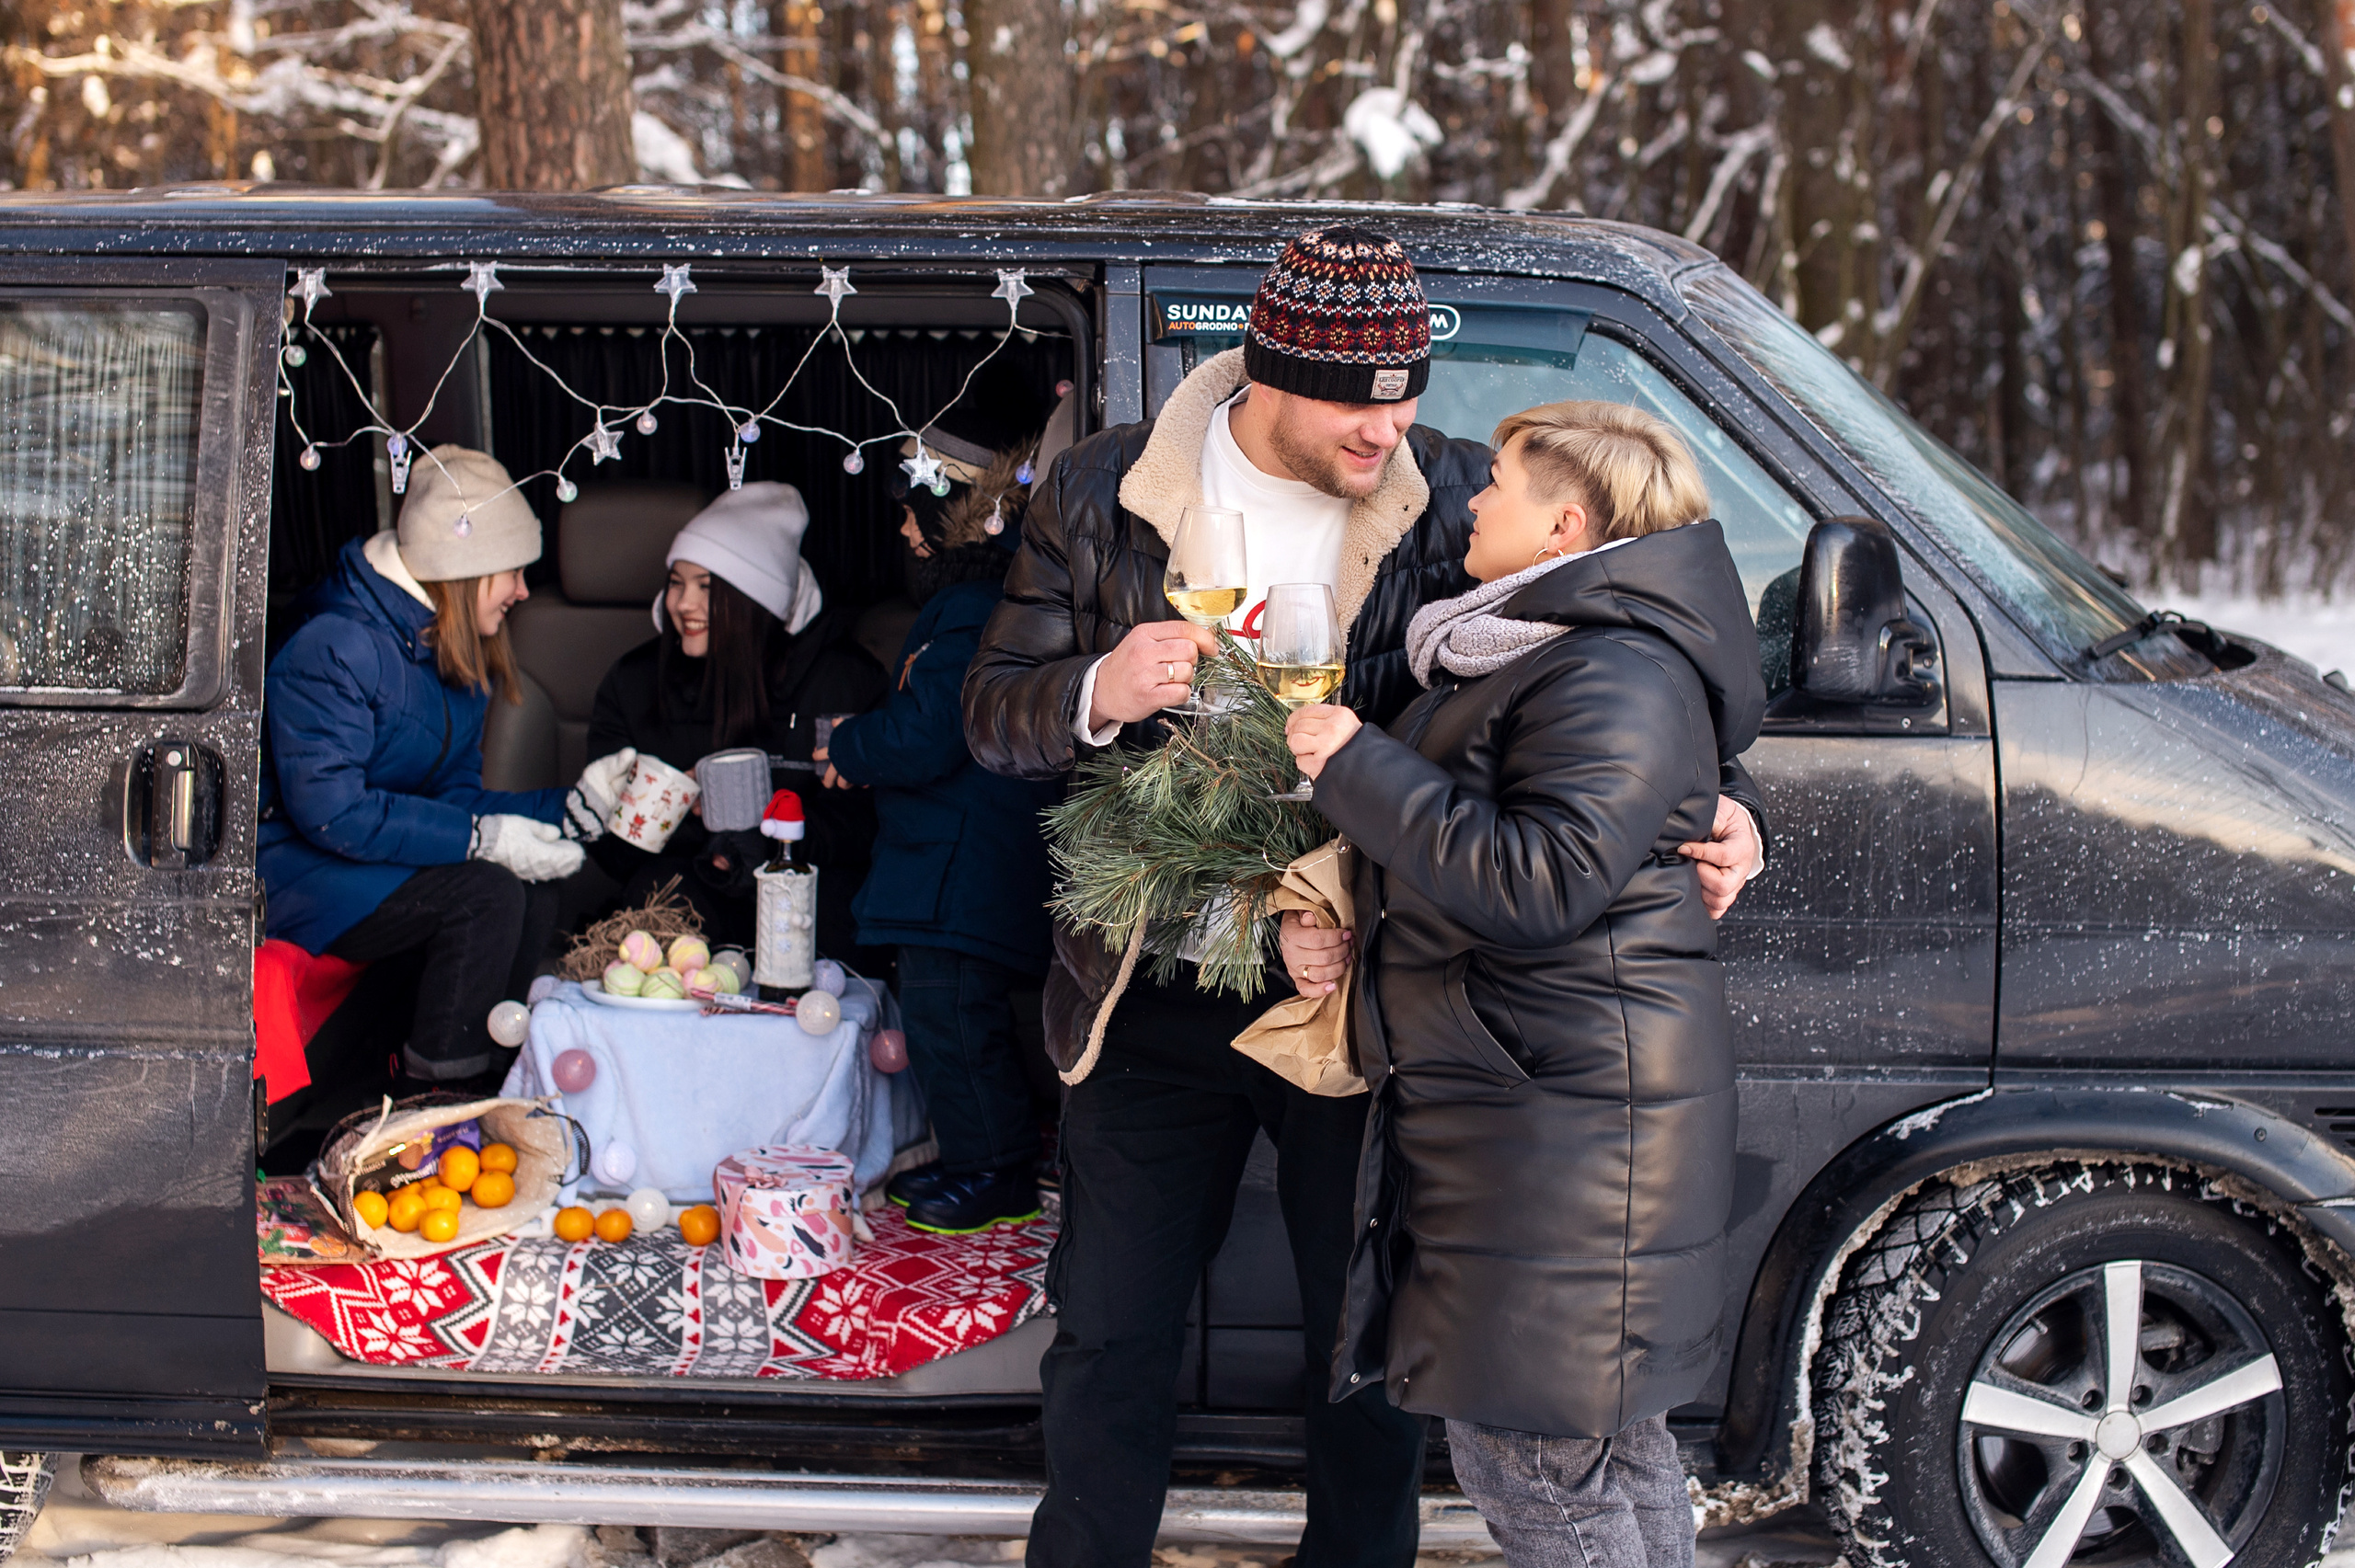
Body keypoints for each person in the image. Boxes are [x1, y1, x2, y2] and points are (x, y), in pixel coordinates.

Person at [961, 226, 1769, 1568]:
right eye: (1361, 398)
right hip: (1151, 976)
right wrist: (1102, 687)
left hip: (1377, 975)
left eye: (1408, 391)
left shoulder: (1454, 487)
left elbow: (1614, 650)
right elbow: (992, 716)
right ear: (1270, 373)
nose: (1392, 426)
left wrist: (1730, 798)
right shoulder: (1105, 489)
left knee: (1371, 1340)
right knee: (1110, 1325)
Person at [1280, 401, 1760, 1567]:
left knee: (1532, 1465)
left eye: (1495, 483)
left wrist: (1353, 764)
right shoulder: (1547, 645)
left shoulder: (1614, 665)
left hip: (1560, 1139)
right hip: (1540, 1118)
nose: (1472, 502)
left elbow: (1541, 881)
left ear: (1564, 523)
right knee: (1605, 1450)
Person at [260, 446, 625, 1093]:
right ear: (464, 567)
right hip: (299, 869)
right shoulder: (335, 645)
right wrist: (477, 841)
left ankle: (496, 1079)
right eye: (511, 571)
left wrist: (572, 809)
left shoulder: (453, 653)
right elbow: (333, 813)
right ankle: (435, 1103)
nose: (521, 590)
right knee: (486, 891)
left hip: (381, 857)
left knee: (530, 883)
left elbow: (457, 800)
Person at [819, 378, 1066, 1235]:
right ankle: (979, 1159)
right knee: (954, 1016)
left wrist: (851, 747)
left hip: (957, 870)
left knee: (952, 1021)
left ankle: (993, 1170)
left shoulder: (967, 612)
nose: (899, 530)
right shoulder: (984, 607)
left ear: (947, 517)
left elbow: (929, 734)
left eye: (908, 512)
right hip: (955, 868)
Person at [585, 482, 886, 957]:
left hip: (805, 899)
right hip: (696, 891)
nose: (683, 603)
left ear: (756, 599)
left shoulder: (844, 681)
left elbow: (870, 826)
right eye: (676, 583)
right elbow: (611, 848)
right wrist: (675, 811)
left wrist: (768, 837)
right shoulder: (635, 683)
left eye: (707, 588)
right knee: (657, 892)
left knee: (835, 904)